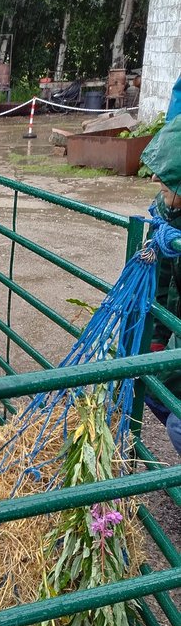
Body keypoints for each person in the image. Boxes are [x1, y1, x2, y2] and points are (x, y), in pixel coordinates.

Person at [144, 115, 181, 455]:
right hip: (174, 327)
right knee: (151, 384)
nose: (156, 176)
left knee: (177, 424)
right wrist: (155, 339)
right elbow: (162, 279)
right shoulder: (166, 216)